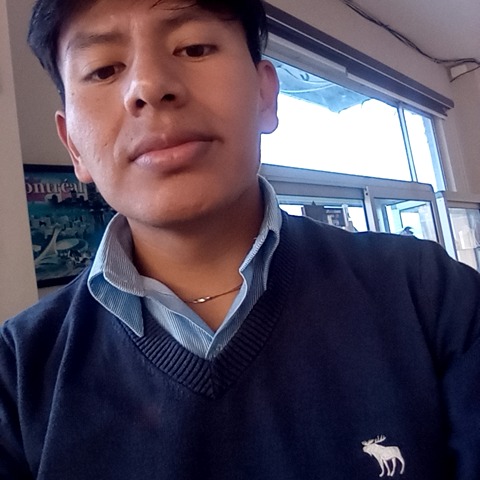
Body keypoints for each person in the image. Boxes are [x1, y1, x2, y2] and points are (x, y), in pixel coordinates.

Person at [1, 0, 479, 478]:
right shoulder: (17, 370)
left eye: (193, 47)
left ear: (265, 95)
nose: (148, 87)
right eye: (104, 69)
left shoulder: (431, 294)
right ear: (74, 146)